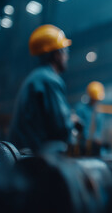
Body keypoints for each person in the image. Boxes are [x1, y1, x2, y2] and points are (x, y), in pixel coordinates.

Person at [9, 24, 76, 153]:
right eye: (65, 51)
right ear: (57, 54)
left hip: (22, 155)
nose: (67, 56)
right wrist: (71, 121)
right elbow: (60, 127)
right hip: (35, 158)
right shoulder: (49, 80)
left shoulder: (35, 77)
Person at [75, 81, 105, 156]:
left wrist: (97, 138)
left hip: (94, 146)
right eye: (94, 99)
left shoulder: (99, 112)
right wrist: (90, 138)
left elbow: (99, 130)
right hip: (82, 145)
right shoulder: (81, 109)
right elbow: (79, 129)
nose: (95, 101)